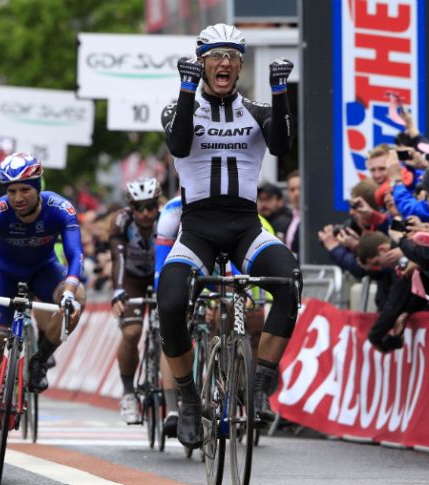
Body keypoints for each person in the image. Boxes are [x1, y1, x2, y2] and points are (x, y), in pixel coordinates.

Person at [158, 22, 299, 449]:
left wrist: (280, 91)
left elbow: (280, 146)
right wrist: (185, 90)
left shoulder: (255, 110)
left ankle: (258, 384)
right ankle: (186, 398)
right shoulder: (179, 107)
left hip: (245, 228)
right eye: (216, 56)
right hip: (197, 230)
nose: (224, 63)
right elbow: (180, 146)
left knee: (288, 281)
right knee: (170, 303)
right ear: (201, 64)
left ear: (240, 67)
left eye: (233, 58)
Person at [0, 152, 86, 459]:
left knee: (77, 301)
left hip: (44, 270)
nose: (17, 197)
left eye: (25, 190)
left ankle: (40, 358)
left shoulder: (60, 208)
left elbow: (75, 255)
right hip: (1, 274)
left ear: (38, 186)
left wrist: (70, 288)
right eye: (11, 190)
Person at [108, 177, 176, 430]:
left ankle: (171, 398)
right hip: (132, 279)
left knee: (170, 333)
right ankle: (128, 394)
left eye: (151, 206)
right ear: (131, 208)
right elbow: (118, 258)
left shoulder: (169, 217)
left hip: (162, 275)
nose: (146, 213)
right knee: (132, 332)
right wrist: (117, 291)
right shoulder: (121, 221)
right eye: (139, 208)